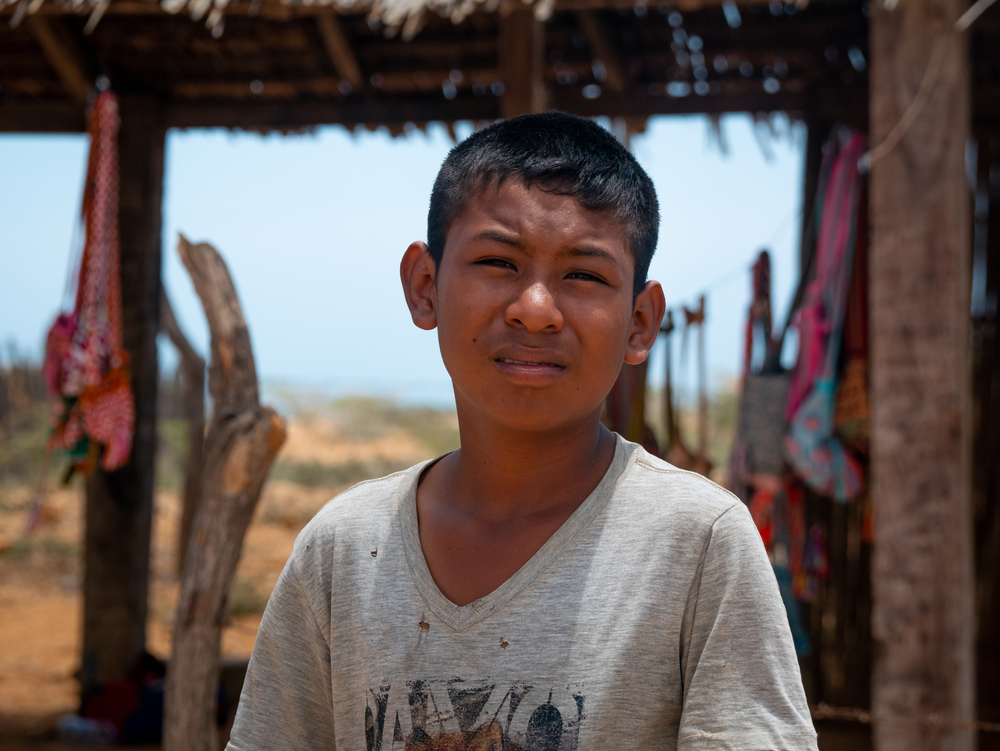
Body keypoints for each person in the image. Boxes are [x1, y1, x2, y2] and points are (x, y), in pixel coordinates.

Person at [226, 112, 817, 751]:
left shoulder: (697, 546)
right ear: (425, 287)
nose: (534, 310)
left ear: (640, 323)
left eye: (584, 275)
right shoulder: (342, 552)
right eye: (498, 262)